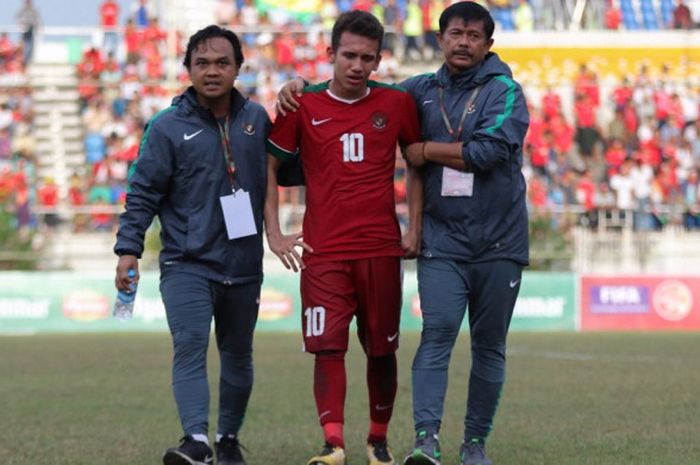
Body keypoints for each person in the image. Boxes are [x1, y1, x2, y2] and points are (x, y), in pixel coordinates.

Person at [264, 10, 423, 465]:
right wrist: (274, 233)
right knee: (327, 347)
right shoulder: (302, 104)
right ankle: (333, 444)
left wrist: (415, 225)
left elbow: (415, 161)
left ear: (378, 60)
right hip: (323, 250)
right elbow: (269, 166)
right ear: (330, 54)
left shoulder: (395, 103)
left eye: (367, 58)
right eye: (349, 55)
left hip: (380, 247)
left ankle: (378, 441)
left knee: (381, 348)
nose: (357, 66)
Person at [113, 25, 270, 465]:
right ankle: (196, 440)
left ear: (239, 67)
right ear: (187, 70)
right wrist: (129, 249)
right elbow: (142, 192)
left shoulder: (257, 119)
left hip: (244, 263)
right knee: (190, 343)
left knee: (238, 355)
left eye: (222, 62)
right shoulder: (165, 127)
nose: (212, 71)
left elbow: (285, 173)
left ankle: (227, 438)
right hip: (187, 263)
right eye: (202, 63)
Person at [15, 0, 41, 66]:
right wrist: (21, 25)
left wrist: (37, 26)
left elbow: (37, 20)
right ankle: (22, 60)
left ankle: (28, 60)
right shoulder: (22, 10)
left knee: (30, 46)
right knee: (23, 45)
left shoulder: (33, 11)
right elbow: (17, 18)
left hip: (31, 30)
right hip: (24, 30)